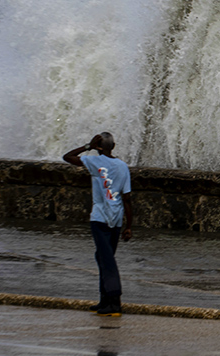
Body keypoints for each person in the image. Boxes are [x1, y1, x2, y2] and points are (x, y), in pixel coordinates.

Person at [63, 132, 133, 317]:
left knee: (107, 260)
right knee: (103, 257)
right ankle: (105, 300)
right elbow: (127, 198)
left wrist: (88, 147)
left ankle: (114, 302)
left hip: (100, 219)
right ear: (114, 146)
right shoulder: (123, 166)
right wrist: (129, 226)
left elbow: (67, 157)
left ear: (98, 147)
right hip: (117, 219)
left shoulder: (95, 163)